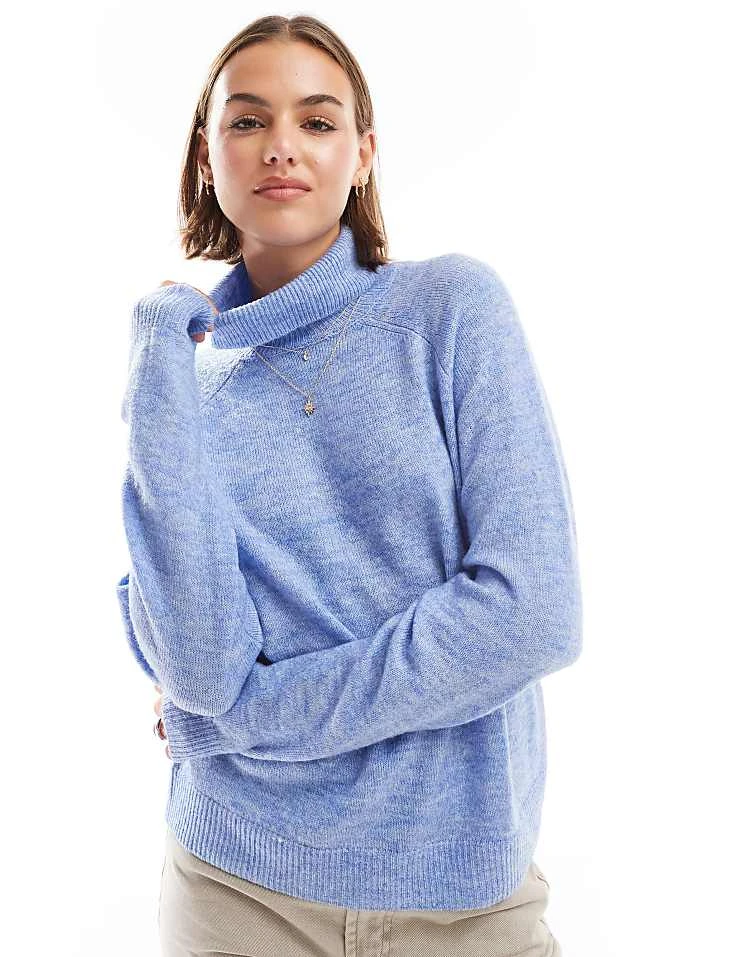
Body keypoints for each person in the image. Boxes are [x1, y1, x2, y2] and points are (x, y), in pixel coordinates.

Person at [115, 13, 582, 957]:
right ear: (206, 156)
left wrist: (242, 719)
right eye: (247, 120)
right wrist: (158, 352)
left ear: (364, 153)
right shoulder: (185, 384)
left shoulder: (450, 309)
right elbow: (198, 671)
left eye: (318, 121)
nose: (281, 145)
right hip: (233, 890)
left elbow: (531, 614)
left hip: (462, 903)